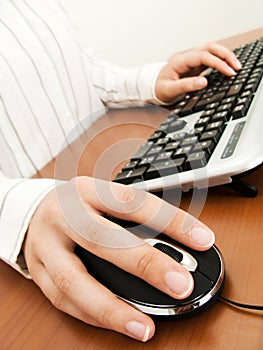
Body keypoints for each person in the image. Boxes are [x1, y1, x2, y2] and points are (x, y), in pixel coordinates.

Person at [0, 0, 241, 343]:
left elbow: (82, 71)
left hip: (105, 166)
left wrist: (149, 81)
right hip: (36, 230)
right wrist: (24, 210)